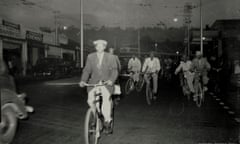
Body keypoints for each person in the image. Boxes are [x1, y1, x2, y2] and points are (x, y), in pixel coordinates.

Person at [79, 39, 118, 134]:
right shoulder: (90, 57)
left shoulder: (110, 57)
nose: (99, 47)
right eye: (97, 46)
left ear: (104, 47)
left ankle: (107, 121)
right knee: (90, 101)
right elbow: (87, 70)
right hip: (94, 83)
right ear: (95, 47)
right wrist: (83, 81)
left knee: (105, 100)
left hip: (106, 83)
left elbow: (114, 70)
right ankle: (95, 117)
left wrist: (111, 80)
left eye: (101, 46)